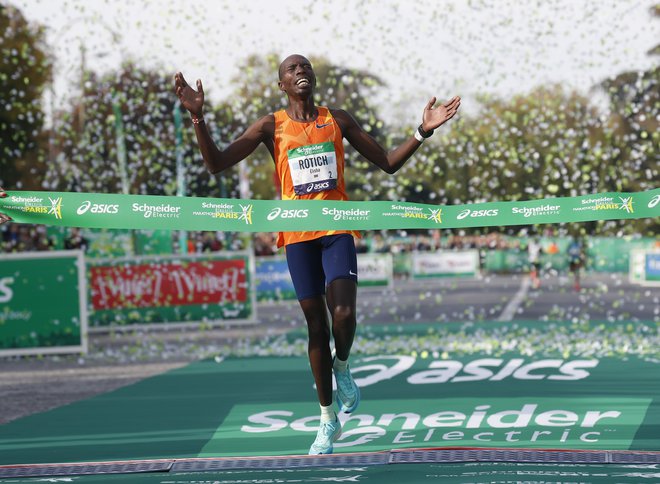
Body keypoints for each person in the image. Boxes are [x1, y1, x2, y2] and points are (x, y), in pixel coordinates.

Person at [174, 54, 460, 454]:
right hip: (297, 237)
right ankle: (327, 420)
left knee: (343, 314)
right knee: (315, 327)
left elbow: (387, 163)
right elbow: (216, 163)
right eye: (292, 70)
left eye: (305, 67)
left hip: (336, 230)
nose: (300, 72)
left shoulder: (337, 120)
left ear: (313, 79)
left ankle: (341, 365)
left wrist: (422, 131)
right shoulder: (270, 126)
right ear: (282, 85)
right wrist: (198, 118)